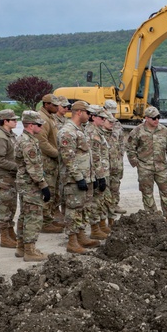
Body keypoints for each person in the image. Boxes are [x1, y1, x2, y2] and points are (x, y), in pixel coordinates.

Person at [58, 100, 100, 252]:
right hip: (74, 179)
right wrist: (78, 177)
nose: (90, 115)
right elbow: (68, 158)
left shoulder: (79, 130)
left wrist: (91, 177)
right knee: (73, 209)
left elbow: (85, 156)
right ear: (79, 112)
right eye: (88, 113)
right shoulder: (67, 131)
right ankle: (72, 241)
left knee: (83, 209)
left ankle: (81, 235)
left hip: (85, 177)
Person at [126, 106, 167, 221]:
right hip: (144, 167)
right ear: (146, 118)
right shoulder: (137, 131)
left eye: (158, 117)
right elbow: (130, 148)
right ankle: (152, 216)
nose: (156, 120)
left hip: (161, 167)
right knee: (147, 193)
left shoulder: (164, 130)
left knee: (166, 192)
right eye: (154, 118)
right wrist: (136, 163)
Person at [14, 110, 51, 261]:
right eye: (38, 125)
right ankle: (30, 250)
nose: (41, 127)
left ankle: (21, 247)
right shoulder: (27, 142)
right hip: (30, 185)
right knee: (33, 217)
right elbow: (33, 167)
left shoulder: (26, 139)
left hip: (25, 183)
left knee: (25, 215)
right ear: (30, 125)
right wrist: (43, 185)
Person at [0, 109, 20, 248]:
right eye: (13, 120)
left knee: (11, 205)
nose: (16, 122)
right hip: (3, 176)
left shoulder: (10, 135)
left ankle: (10, 232)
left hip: (10, 176)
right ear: (5, 121)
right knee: (5, 206)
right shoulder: (0, 137)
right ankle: (4, 236)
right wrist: (17, 167)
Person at [37, 94, 65, 233]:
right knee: (48, 191)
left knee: (54, 191)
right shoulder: (42, 119)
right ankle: (45, 222)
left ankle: (49, 218)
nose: (57, 107)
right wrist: (57, 154)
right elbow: (42, 142)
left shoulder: (50, 117)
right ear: (46, 104)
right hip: (47, 161)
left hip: (52, 161)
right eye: (54, 105)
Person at [84, 104, 111, 240]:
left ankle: (101, 224)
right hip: (96, 173)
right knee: (95, 201)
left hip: (102, 171)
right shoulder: (92, 132)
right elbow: (94, 157)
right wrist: (99, 177)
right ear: (93, 117)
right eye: (101, 117)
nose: (103, 120)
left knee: (101, 200)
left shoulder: (98, 131)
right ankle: (95, 228)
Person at [103, 99, 127, 215]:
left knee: (115, 182)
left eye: (114, 112)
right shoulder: (101, 122)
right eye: (110, 112)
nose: (112, 115)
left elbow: (121, 141)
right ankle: (105, 206)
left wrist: (121, 155)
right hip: (104, 159)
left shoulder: (117, 123)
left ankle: (114, 203)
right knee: (104, 183)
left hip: (116, 159)